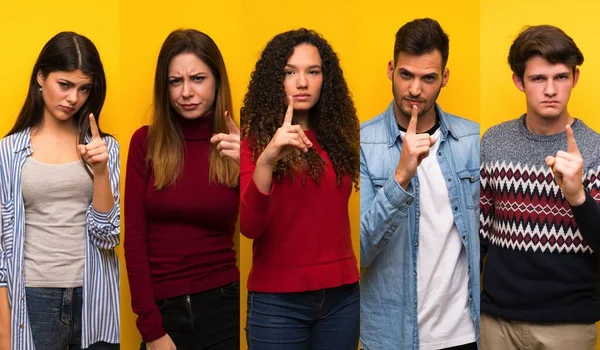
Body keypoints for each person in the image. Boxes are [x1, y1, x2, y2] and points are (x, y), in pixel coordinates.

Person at [360, 18, 480, 350]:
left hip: (463, 334)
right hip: (390, 337)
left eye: (428, 78)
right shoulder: (362, 143)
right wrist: (401, 177)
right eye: (406, 75)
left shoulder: (471, 139)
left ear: (444, 78)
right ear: (390, 70)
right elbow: (362, 250)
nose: (415, 90)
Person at [480, 25, 600, 350]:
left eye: (560, 77)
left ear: (575, 78)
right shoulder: (493, 141)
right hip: (496, 321)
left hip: (569, 326)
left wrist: (577, 196)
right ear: (519, 81)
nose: (550, 89)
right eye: (538, 79)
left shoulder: (596, 150)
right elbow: (477, 235)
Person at [240, 28, 360, 349]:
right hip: (277, 304)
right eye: (289, 72)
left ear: (326, 79)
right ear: (273, 81)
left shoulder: (340, 141)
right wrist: (268, 159)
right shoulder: (253, 144)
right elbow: (249, 228)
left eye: (313, 72)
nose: (302, 82)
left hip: (342, 297)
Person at [0, 31, 120, 349]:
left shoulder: (104, 149)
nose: (73, 98)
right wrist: (3, 333)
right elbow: (1, 250)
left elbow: (109, 235)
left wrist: (100, 170)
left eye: (84, 89)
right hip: (33, 298)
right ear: (41, 77)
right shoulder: (9, 152)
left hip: (94, 295)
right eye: (64, 85)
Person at [124, 29, 240, 350]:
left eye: (198, 79)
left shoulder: (236, 144)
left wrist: (253, 164)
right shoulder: (145, 142)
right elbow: (134, 239)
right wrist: (151, 329)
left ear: (217, 81)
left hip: (223, 303)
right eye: (176, 81)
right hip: (162, 310)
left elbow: (267, 228)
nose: (186, 92)